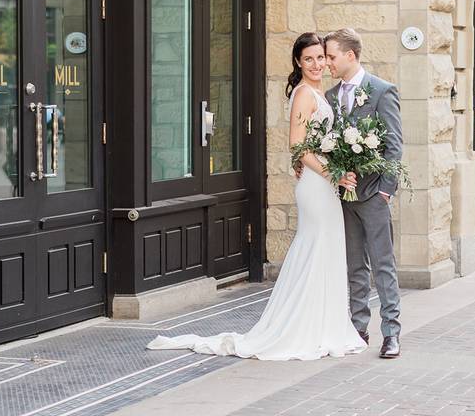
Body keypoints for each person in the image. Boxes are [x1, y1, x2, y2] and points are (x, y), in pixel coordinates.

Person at [146, 32, 366, 360]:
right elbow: (297, 145)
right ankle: (303, 327)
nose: (317, 64)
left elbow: (314, 144)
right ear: (298, 62)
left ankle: (324, 325)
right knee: (315, 247)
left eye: (321, 57)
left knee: (326, 249)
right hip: (317, 186)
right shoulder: (305, 94)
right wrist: (332, 173)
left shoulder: (320, 93)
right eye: (309, 59)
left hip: (323, 182)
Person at [323, 28, 404, 359]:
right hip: (344, 198)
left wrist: (385, 192)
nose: (327, 62)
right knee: (354, 265)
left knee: (383, 265)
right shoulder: (330, 97)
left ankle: (391, 333)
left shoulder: (381, 91)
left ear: (350, 56)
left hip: (373, 196)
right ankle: (358, 329)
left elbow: (394, 146)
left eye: (331, 56)